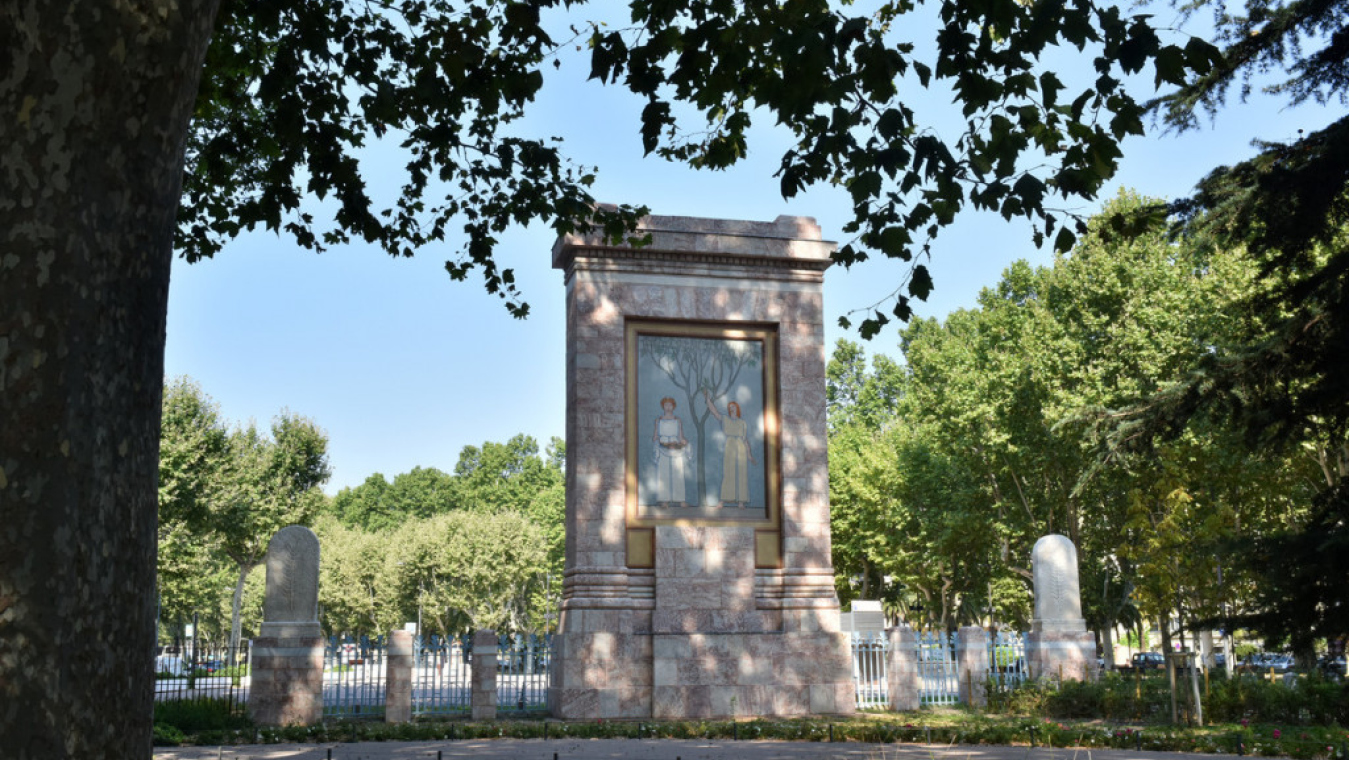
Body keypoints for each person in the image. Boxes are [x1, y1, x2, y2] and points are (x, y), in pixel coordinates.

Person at [704, 390, 757, 507]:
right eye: (730, 407)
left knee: (741, 473)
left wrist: (749, 455)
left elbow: (745, 439)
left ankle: (741, 502)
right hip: (730, 446)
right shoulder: (725, 419)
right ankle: (723, 500)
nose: (731, 408)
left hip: (741, 447)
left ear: (737, 408)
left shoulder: (742, 423)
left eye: (733, 406)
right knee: (728, 472)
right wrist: (708, 399)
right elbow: (714, 412)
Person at [651, 396, 690, 507]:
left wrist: (684, 442)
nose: (668, 407)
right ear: (663, 406)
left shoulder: (677, 420)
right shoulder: (658, 420)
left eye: (670, 405)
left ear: (673, 407)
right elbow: (654, 437)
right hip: (663, 447)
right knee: (663, 473)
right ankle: (664, 500)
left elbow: (680, 436)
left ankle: (680, 499)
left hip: (675, 447)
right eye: (666, 405)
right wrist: (659, 441)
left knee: (678, 472)